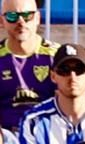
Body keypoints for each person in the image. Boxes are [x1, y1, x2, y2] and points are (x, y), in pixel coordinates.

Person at [0, 0, 56, 133]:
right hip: (7, 138)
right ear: (2, 21)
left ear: (37, 18)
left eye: (27, 16)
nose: (21, 22)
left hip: (49, 137)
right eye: (12, 16)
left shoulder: (56, 56)